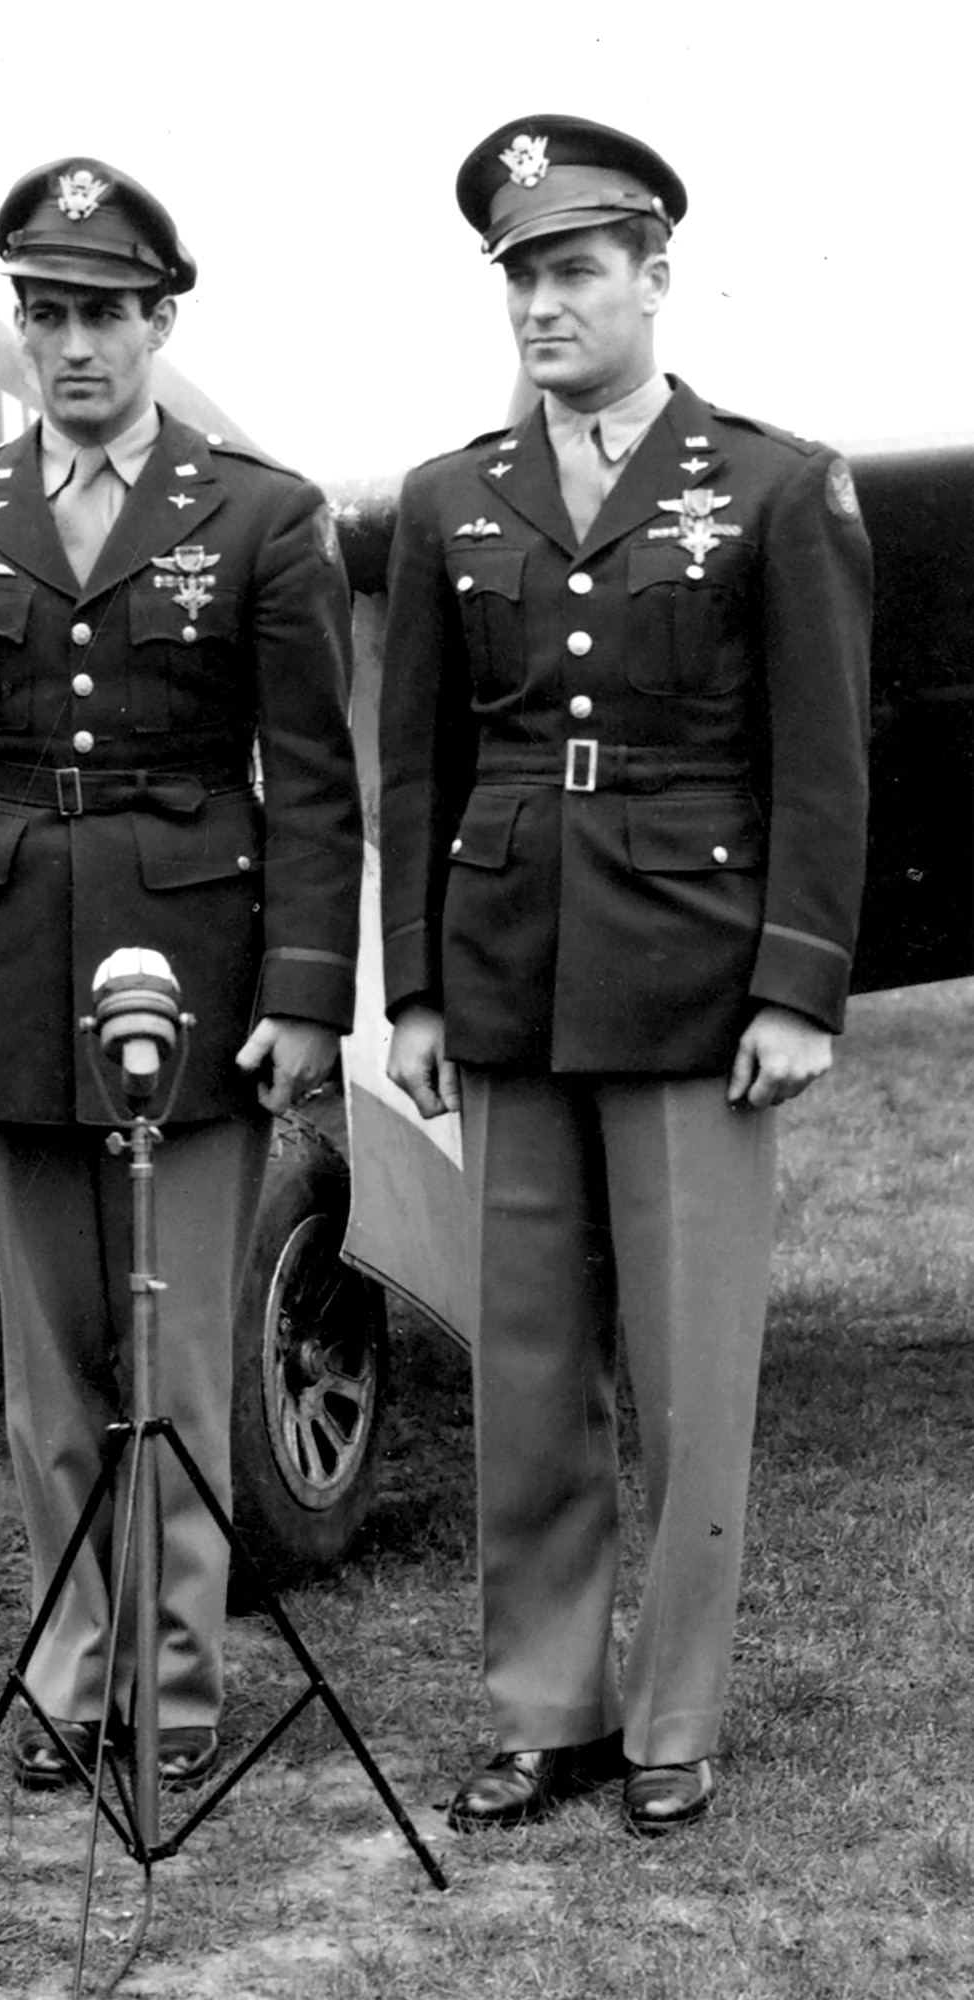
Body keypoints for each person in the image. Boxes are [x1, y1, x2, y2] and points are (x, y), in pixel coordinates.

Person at [380, 117, 872, 1836]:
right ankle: (545, 1710)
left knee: (687, 1372)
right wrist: (417, 993)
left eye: (575, 268)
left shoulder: (771, 482)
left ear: (654, 278)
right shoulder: (450, 500)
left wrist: (798, 986)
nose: (542, 302)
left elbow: (821, 760)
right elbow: (417, 764)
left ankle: (668, 1721)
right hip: (507, 973)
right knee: (522, 1365)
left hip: (689, 976)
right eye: (519, 274)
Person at [0, 159, 362, 1792]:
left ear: (158, 325)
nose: (72, 348)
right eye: (44, 315)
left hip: (197, 970)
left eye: (103, 317)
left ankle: (184, 1687)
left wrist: (299, 996)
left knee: (181, 1354)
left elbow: (313, 780)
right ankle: (72, 1679)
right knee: (51, 1364)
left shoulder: (260, 517)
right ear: (17, 330)